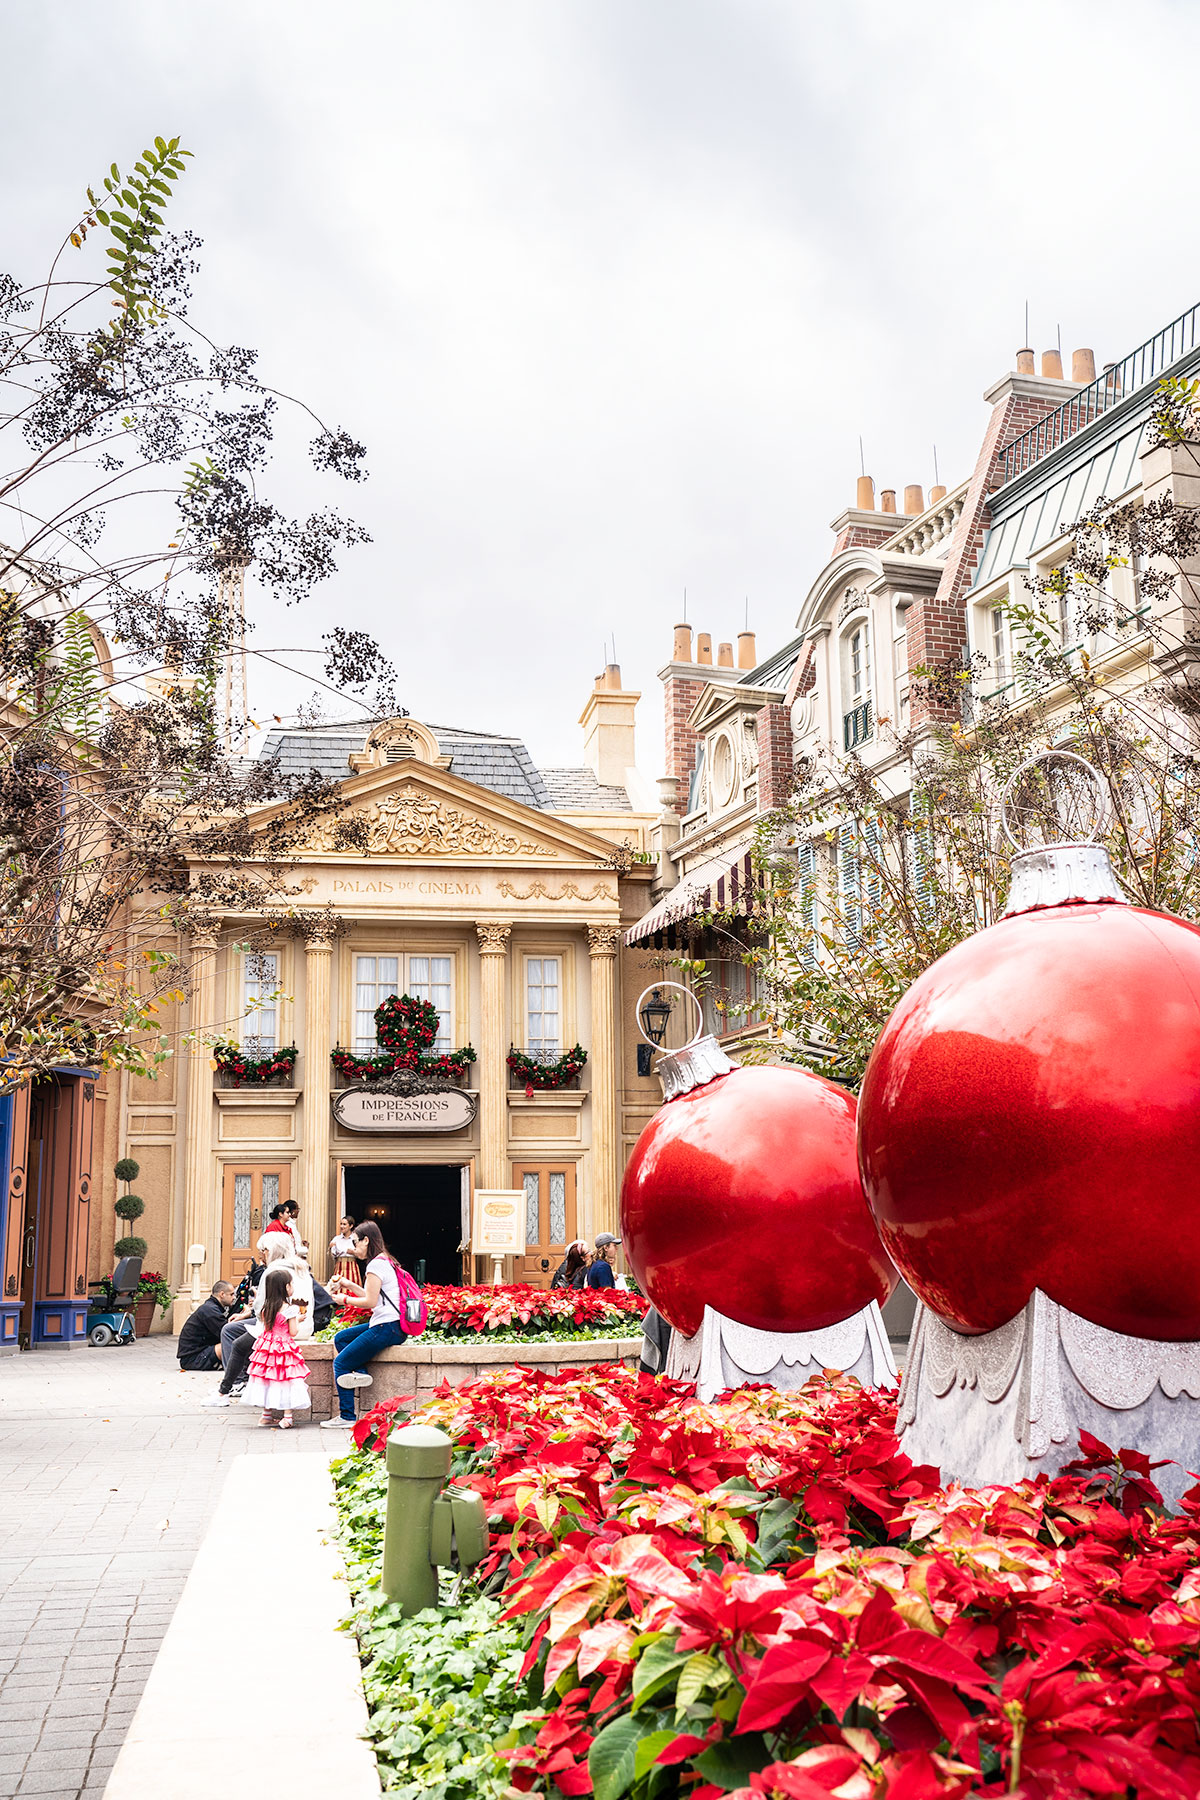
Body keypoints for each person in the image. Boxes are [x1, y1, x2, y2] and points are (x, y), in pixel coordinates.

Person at [321, 1221, 417, 1430]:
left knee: (341, 1364)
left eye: (356, 1243)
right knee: (341, 1338)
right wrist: (349, 1285)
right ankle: (361, 1373)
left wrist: (342, 1300)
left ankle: (346, 1416)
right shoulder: (386, 1261)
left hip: (385, 1327)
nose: (354, 1249)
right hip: (393, 1326)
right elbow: (372, 1296)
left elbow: (370, 1303)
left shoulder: (375, 1265)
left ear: (366, 1240)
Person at [240, 1267, 310, 1428]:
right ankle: (287, 1417)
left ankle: (266, 1415)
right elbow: (292, 1332)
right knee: (286, 1379)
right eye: (291, 1284)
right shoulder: (290, 1309)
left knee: (269, 1378)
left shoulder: (266, 1307)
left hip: (267, 1346)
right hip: (283, 1347)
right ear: (286, 1287)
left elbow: (271, 1326)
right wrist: (297, 1319)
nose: (292, 1287)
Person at [177, 1281, 235, 1370]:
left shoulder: (211, 1307)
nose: (234, 1297)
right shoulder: (210, 1310)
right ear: (222, 1294)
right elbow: (227, 1333)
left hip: (199, 1353)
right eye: (231, 1294)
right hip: (192, 1359)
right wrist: (246, 1314)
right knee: (232, 1343)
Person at [329, 1216, 360, 1285]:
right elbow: (333, 1255)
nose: (342, 1226)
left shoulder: (355, 1238)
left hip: (352, 1267)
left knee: (352, 1289)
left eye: (344, 1224)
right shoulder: (337, 1239)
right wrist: (332, 1248)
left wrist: (354, 1252)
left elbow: (360, 1254)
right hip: (339, 1266)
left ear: (351, 1226)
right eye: (341, 1224)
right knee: (338, 1287)